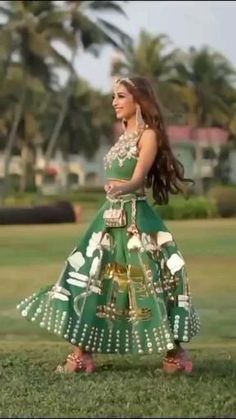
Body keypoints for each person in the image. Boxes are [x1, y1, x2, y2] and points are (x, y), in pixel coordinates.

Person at [17, 76, 200, 374]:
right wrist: (114, 194)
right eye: (113, 96)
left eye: (120, 96)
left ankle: (174, 355)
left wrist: (123, 188)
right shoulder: (123, 136)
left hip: (135, 221)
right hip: (108, 218)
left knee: (145, 283)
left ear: (137, 100)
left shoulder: (148, 135)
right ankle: (82, 355)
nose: (114, 102)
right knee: (92, 277)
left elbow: (139, 178)